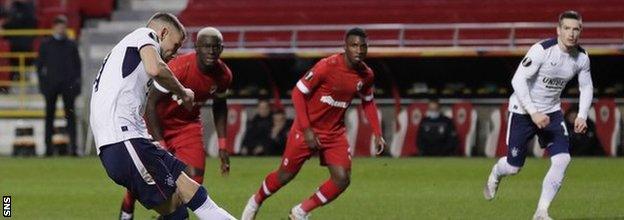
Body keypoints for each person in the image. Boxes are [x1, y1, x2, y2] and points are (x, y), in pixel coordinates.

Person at [89, 13, 234, 219]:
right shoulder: (145, 34)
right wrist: (183, 92)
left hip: (133, 140)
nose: (174, 54)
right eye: (174, 46)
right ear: (163, 33)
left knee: (193, 192)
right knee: (176, 212)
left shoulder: (125, 52)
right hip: (123, 140)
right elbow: (155, 68)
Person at [241, 27, 385, 220]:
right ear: (345, 47)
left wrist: (377, 132)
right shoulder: (327, 66)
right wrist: (308, 130)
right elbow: (298, 92)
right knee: (285, 176)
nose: (359, 50)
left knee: (342, 179)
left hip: (334, 133)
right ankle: (256, 201)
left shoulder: (366, 75)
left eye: (363, 46)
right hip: (306, 129)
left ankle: (301, 211)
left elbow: (368, 101)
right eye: (354, 45)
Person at [482, 11, 593, 220]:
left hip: (551, 112)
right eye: (567, 28)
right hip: (524, 111)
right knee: (514, 167)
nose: (571, 33)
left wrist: (582, 115)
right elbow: (517, 80)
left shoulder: (582, 58)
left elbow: (586, 87)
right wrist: (533, 112)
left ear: (580, 31)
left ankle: (541, 212)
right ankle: (497, 173)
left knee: (562, 159)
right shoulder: (541, 50)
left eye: (576, 29)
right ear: (558, 30)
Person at [36, 15, 81, 156]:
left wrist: (76, 86)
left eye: (63, 26)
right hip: (51, 86)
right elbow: (39, 67)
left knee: (70, 117)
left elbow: (77, 67)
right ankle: (48, 149)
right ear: (54, 27)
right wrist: (43, 87)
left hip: (68, 86)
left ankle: (73, 149)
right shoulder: (46, 45)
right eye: (59, 26)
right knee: (49, 117)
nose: (61, 29)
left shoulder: (71, 45)